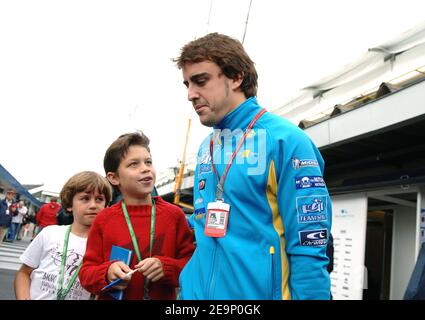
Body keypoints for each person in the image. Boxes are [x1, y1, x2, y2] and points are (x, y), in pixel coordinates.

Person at [174, 33, 332, 299]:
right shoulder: (206, 147)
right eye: (187, 84)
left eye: (200, 81)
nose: (191, 94)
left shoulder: (287, 141)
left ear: (236, 77)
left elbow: (309, 245)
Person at [79, 132, 195, 300]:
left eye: (148, 162)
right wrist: (107, 272)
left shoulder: (174, 215)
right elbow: (86, 273)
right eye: (134, 164)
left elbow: (192, 264)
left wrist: (167, 268)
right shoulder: (103, 219)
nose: (145, 168)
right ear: (114, 178)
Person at [14, 171, 112, 300]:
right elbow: (24, 273)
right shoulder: (50, 233)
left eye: (99, 199)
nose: (93, 205)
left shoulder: (106, 245)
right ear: (70, 204)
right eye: (85, 198)